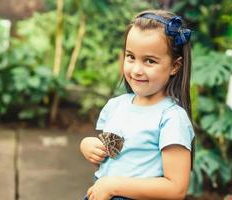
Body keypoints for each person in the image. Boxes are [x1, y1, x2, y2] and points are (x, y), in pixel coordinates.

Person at [80, 9, 195, 200]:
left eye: (149, 61)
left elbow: (176, 188)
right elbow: (115, 158)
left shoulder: (171, 117)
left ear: (175, 66)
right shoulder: (116, 106)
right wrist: (88, 146)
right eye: (131, 57)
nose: (136, 70)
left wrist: (114, 186)